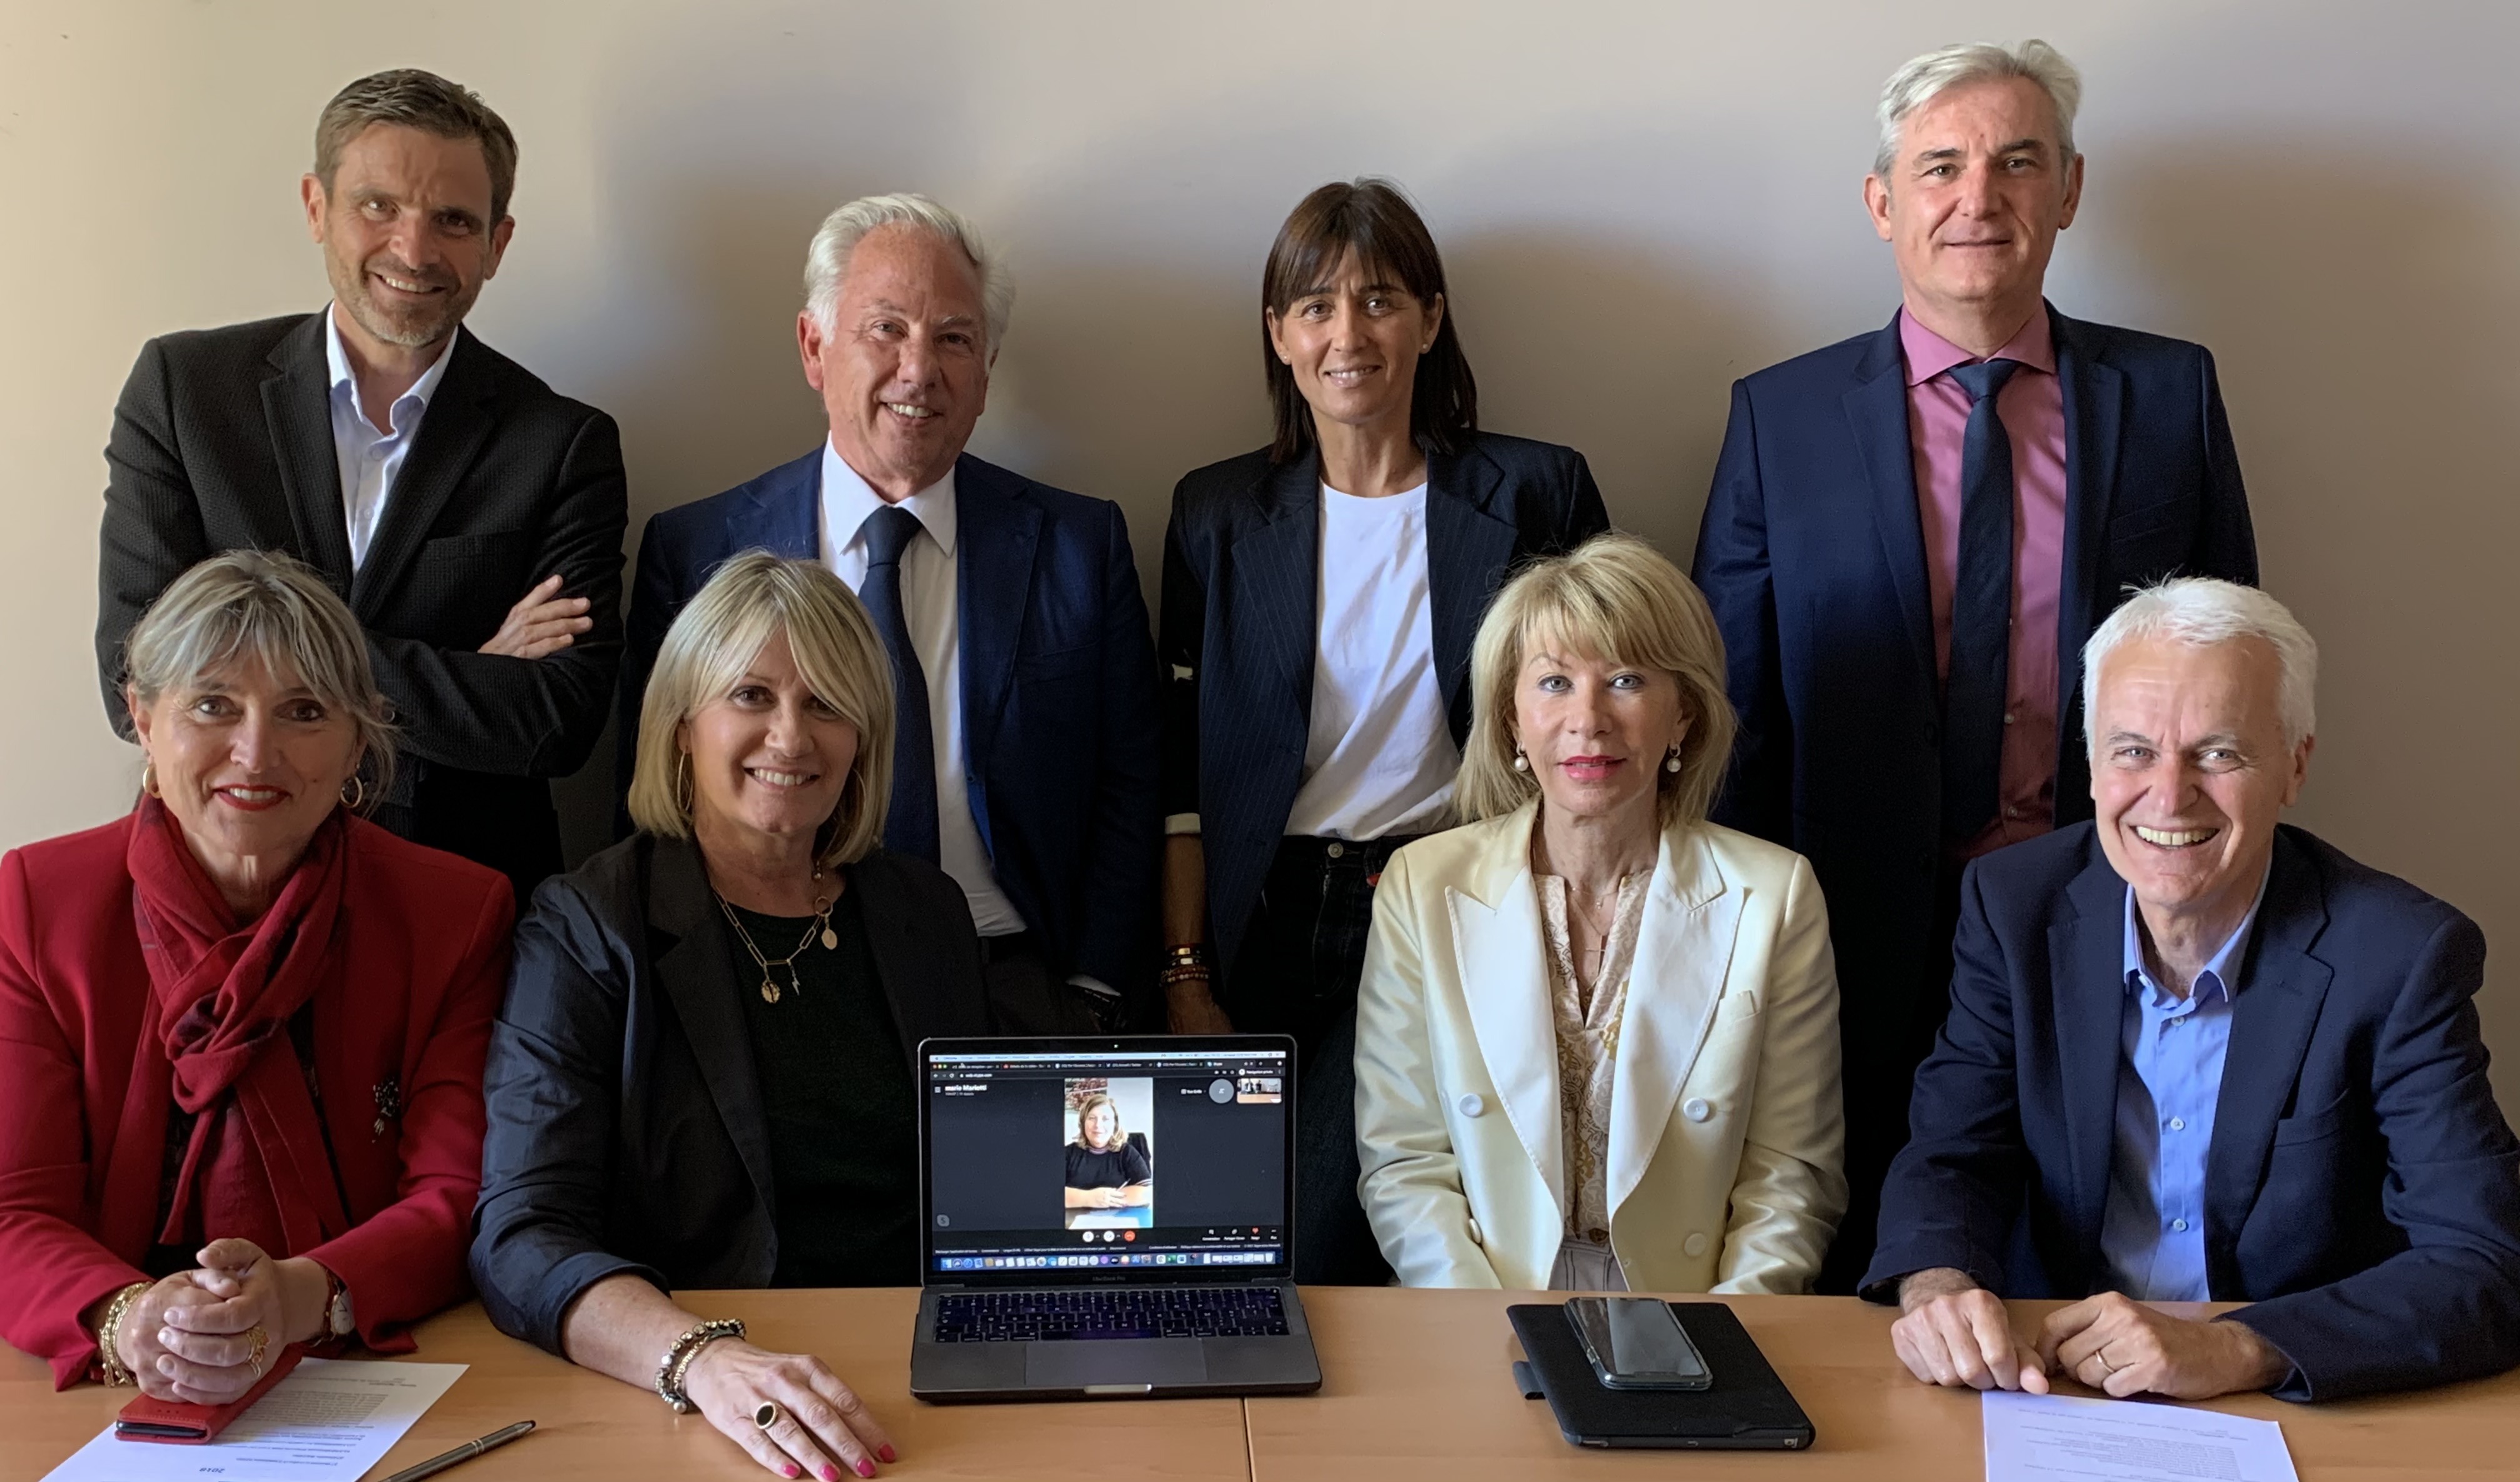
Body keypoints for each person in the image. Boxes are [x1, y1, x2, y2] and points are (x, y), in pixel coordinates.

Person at [1688, 39, 2258, 1290]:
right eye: (1939, 167)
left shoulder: (2169, 396)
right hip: (1843, 927)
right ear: (1882, 201)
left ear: (2070, 188)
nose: (1977, 198)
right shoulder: (1781, 418)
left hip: (2100, 912)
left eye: (2017, 162)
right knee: (1842, 1262)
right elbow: (1732, 715)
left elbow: (2235, 681)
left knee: (2083, 1267)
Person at [1868, 578, 2520, 1403]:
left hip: (2286, 1403)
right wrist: (1940, 1286)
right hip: (2053, 1383)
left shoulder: (2399, 956)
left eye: (2219, 753)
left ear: (2295, 764)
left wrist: (2242, 1348)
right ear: (2092, 765)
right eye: (2133, 750)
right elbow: (1952, 1152)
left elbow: (2486, 1258)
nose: (2169, 796)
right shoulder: (2015, 908)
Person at [1159, 178, 1610, 1284]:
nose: (1347, 335)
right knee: (1220, 1227)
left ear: (1430, 319)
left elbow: (1600, 726)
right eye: (1315, 307)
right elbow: (1177, 769)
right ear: (1279, 334)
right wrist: (1185, 974)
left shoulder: (1535, 492)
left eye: (1379, 301)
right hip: (1264, 915)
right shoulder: (1215, 514)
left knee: (1328, 1231)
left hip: (1437, 903)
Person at [474, 552, 991, 1479]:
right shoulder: (589, 927)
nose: (790, 736)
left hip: (923, 1367)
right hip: (706, 1390)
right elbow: (523, 1235)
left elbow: (984, 1183)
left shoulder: (926, 910)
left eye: (826, 703)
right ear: (682, 724)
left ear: (864, 738)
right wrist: (699, 1358)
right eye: (752, 695)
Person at [623, 194, 1159, 1037]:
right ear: (814, 347)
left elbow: (1132, 781)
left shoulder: (1079, 547)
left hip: (1011, 980)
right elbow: (658, 791)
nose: (920, 370)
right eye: (886, 329)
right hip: (773, 973)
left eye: (954, 339)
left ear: (986, 370)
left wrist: (1091, 992)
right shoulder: (696, 550)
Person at [94, 69, 626, 901]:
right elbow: (132, 674)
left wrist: (254, 669)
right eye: (379, 206)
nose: (414, 251)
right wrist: (464, 670)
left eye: (453, 220)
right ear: (317, 208)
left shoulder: (561, 445)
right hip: (220, 891)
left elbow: (556, 721)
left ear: (497, 242)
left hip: (455, 901)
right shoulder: (186, 393)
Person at [0, 552, 509, 1394]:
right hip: (108, 1384)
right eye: (213, 705)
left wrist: (302, 1296)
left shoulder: (455, 912)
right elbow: (14, 1207)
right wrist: (132, 1318)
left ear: (357, 740)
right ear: (143, 719)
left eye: (304, 711)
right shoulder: (34, 902)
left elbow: (460, 1193)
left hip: (366, 1363)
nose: (255, 750)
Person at [1354, 535, 1845, 1293]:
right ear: (1512, 719)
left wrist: (1721, 1334)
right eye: (1554, 682)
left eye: (1625, 680)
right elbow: (1405, 1164)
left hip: (1695, 1306)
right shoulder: (1422, 885)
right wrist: (1481, 1328)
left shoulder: (1773, 895)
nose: (1588, 719)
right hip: (1478, 1301)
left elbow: (1791, 1176)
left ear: (1683, 715)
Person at [1062, 1094, 1153, 1216]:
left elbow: (1147, 1193)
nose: (1098, 1125)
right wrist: (1089, 1198)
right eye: (1092, 1118)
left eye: (1105, 1119)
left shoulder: (1126, 1152)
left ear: (1115, 1125)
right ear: (1083, 1123)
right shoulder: (1068, 1153)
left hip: (1116, 1220)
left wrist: (1106, 1199)